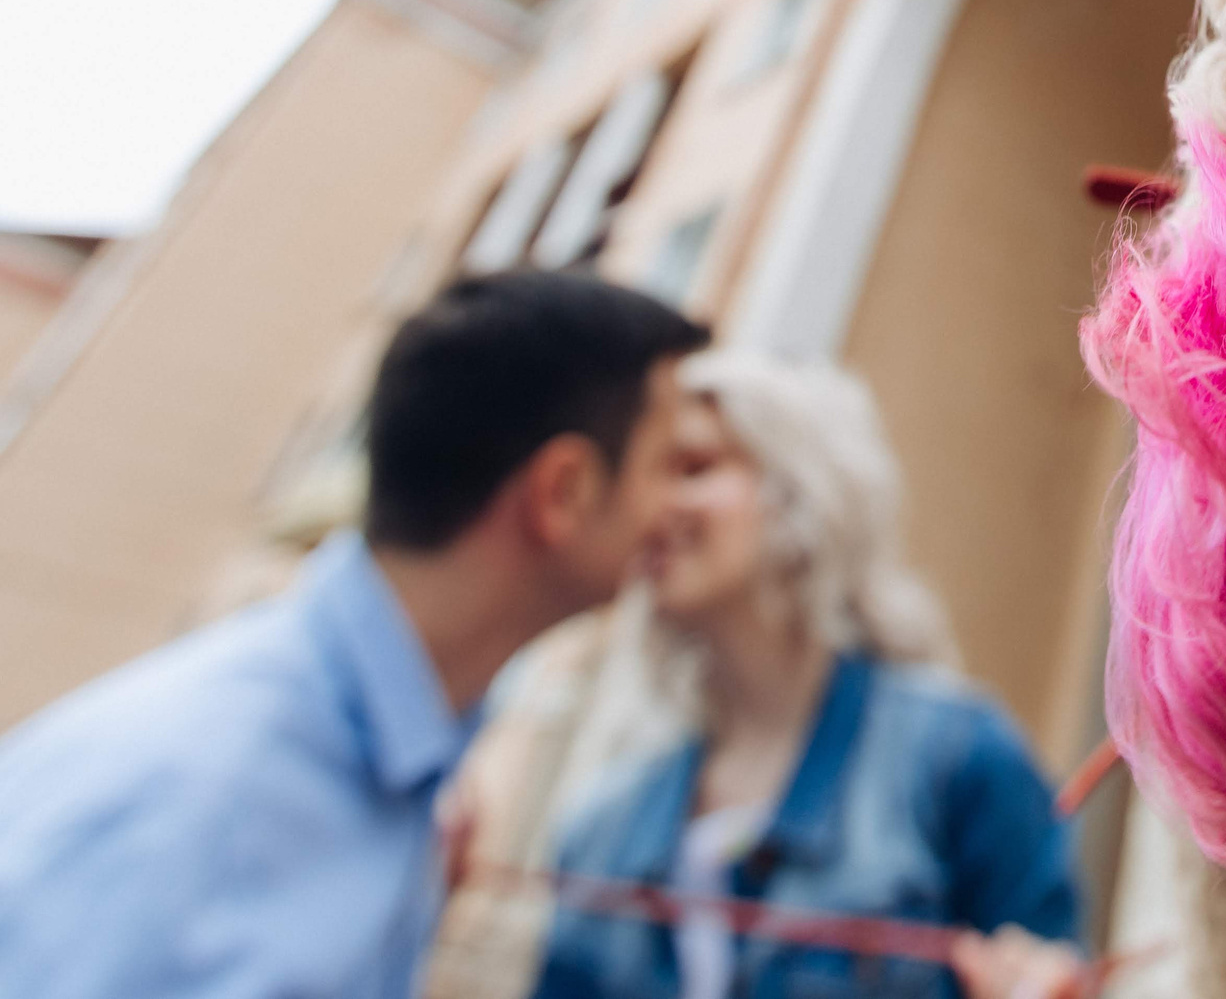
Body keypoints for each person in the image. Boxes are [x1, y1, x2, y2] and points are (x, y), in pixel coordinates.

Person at [0, 270, 710, 998]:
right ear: (564, 490)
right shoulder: (186, 794)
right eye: (671, 466)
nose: (681, 510)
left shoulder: (391, 777)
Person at [532, 352, 1085, 999]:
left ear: (800, 485)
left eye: (695, 467)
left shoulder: (961, 762)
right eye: (650, 475)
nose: (653, 507)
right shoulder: (598, 830)